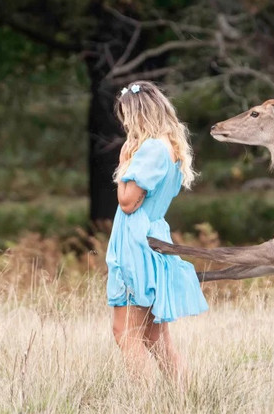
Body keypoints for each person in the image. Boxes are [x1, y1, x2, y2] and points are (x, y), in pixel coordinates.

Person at [106, 81, 208, 384]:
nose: (125, 123)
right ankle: (183, 396)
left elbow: (127, 202)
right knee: (155, 336)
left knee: (126, 332)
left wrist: (125, 163)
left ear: (139, 114)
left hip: (137, 243)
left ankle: (144, 401)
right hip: (154, 236)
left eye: (126, 115)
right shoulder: (170, 148)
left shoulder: (150, 150)